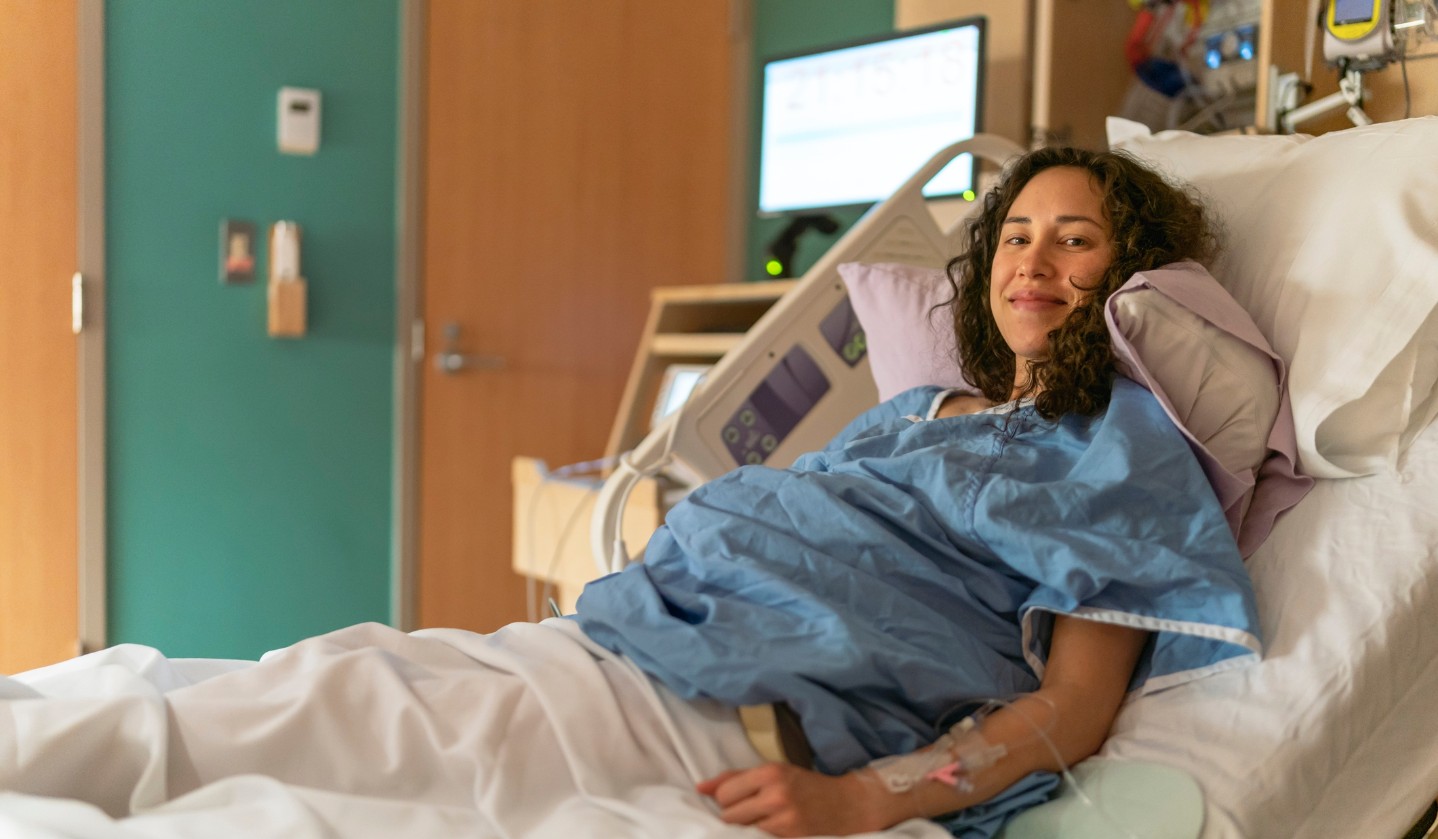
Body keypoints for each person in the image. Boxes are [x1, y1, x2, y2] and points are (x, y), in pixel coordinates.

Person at [574, 146, 1249, 837]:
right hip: (640, 622)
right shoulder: (916, 408)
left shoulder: (1119, 448)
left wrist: (869, 797)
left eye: (1073, 240)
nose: (1032, 262)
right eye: (1016, 237)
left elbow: (1074, 704)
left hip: (762, 693)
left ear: (1132, 275)